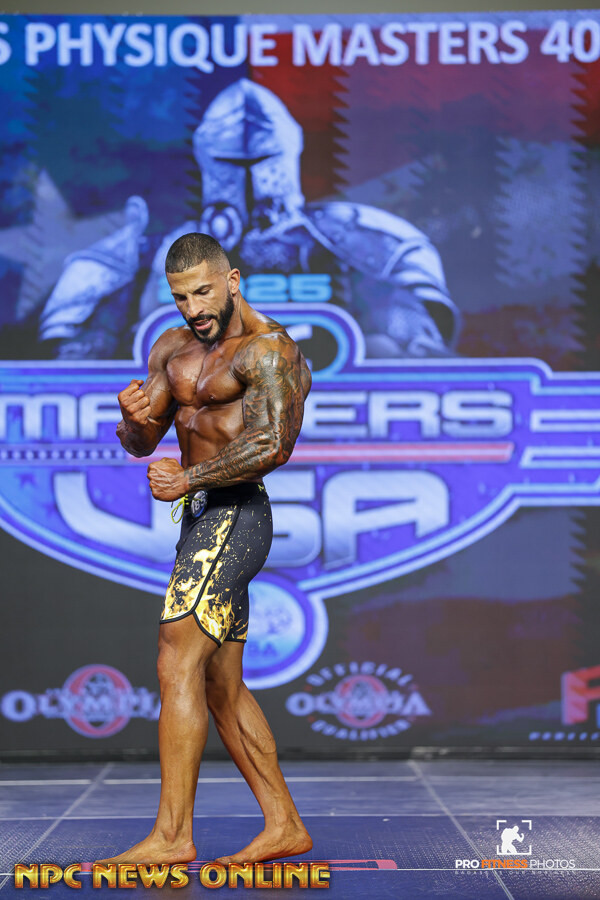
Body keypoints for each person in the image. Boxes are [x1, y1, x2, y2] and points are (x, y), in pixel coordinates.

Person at [101, 232, 313, 865]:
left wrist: (189, 478)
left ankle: (172, 836)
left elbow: (273, 444)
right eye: (180, 297)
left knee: (176, 658)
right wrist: (132, 420)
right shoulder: (171, 347)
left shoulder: (270, 351)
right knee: (220, 684)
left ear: (232, 281)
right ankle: (284, 825)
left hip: (236, 515)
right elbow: (145, 442)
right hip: (198, 520)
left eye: (202, 292)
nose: (193, 308)